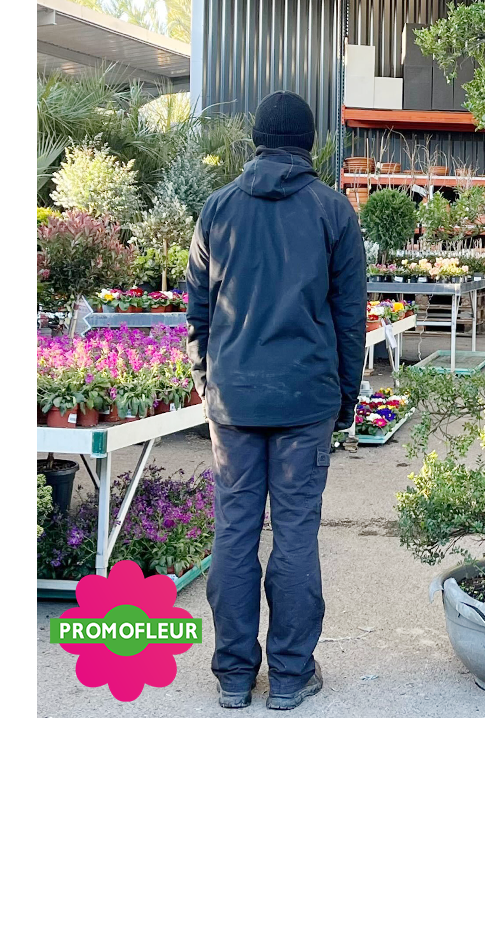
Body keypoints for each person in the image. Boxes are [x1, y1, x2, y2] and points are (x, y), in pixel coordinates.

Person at [187, 91, 366, 711]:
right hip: (304, 401)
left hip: (234, 403)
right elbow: (349, 318)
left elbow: (199, 313)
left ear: (257, 141)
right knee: (295, 534)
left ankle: (234, 676)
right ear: (309, 144)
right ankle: (290, 675)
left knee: (234, 532)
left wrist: (208, 380)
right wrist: (345, 399)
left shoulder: (217, 209)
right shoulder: (332, 211)